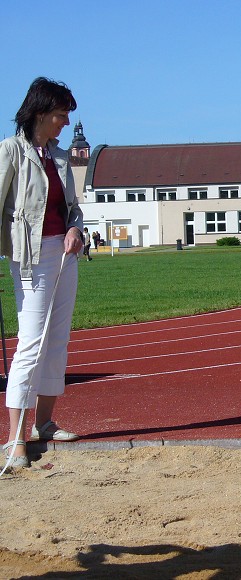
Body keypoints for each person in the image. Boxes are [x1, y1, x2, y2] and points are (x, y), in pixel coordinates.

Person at [0, 77, 83, 469]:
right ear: (40, 112)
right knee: (31, 341)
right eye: (61, 115)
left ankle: (45, 423)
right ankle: (15, 437)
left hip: (64, 255)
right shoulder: (11, 152)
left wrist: (74, 228)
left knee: (58, 339)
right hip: (30, 258)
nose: (65, 122)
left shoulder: (61, 157)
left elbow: (73, 209)